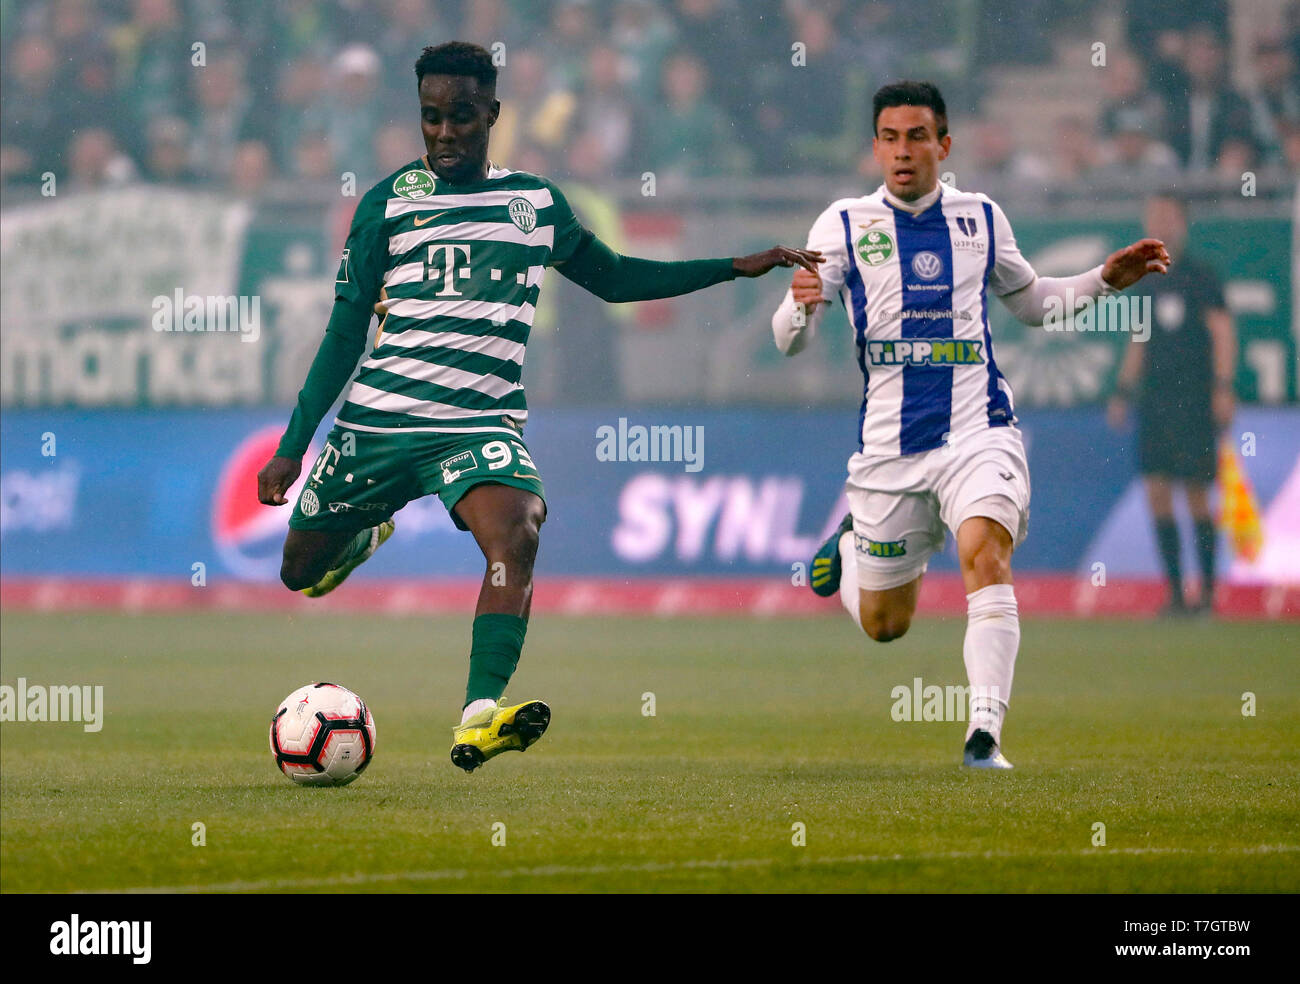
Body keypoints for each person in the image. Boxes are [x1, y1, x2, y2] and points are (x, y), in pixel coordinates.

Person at [256, 41, 820, 774]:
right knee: (300, 572)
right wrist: (294, 445)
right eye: (431, 118)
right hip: (379, 424)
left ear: (492, 114)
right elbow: (343, 334)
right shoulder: (388, 205)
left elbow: (614, 280)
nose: (446, 133)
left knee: (517, 532)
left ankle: (479, 717)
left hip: (478, 425)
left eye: (462, 116)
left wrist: (731, 267)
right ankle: (363, 537)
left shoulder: (535, 205)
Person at [772, 81, 1169, 769]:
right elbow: (788, 341)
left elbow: (1035, 303)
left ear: (943, 146)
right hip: (889, 450)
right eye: (890, 138)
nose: (903, 152)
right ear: (875, 147)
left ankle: (983, 736)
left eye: (917, 137)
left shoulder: (980, 218)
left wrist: (1103, 279)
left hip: (978, 428)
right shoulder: (840, 225)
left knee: (986, 552)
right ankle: (848, 547)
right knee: (885, 626)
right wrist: (802, 308)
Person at [1109, 193, 1236, 616]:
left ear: (1182, 222)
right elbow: (1139, 340)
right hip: (1156, 402)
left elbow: (1221, 332)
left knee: (1198, 494)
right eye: (1153, 216)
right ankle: (1178, 596)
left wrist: (1222, 387)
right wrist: (1124, 391)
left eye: (1167, 216)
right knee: (1158, 492)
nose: (1160, 223)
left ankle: (1210, 595)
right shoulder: (1144, 278)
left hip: (1195, 400)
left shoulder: (1202, 277)